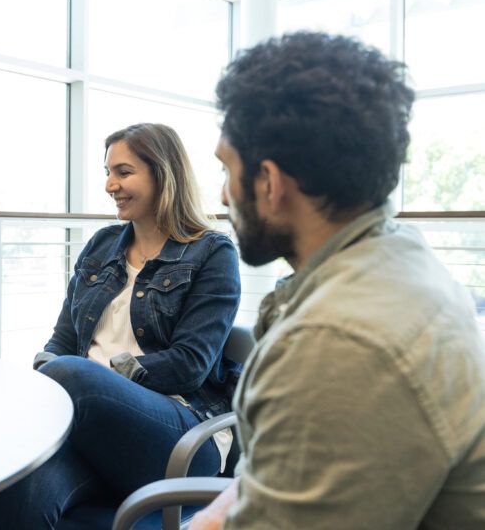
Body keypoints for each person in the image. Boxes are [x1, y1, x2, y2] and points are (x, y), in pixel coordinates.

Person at [191, 32, 485, 529]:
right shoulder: (399, 257)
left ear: (269, 182)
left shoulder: (336, 345)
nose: (222, 196)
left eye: (227, 169)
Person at [0, 123, 242, 528]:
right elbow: (63, 340)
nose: (110, 185)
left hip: (181, 433)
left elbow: (190, 364)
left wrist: (96, 379)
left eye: (123, 172)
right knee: (23, 487)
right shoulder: (102, 246)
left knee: (68, 374)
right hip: (90, 424)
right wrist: (67, 377)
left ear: (163, 173)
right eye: (108, 172)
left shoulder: (212, 252)